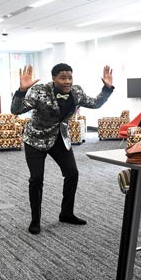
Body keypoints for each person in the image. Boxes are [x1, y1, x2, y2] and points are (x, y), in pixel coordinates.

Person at [11, 63, 114, 234]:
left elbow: (95, 103)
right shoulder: (40, 91)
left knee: (72, 173)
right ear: (54, 79)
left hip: (59, 138)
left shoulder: (76, 91)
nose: (67, 81)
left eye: (70, 77)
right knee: (36, 179)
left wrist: (107, 88)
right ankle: (35, 220)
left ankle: (66, 213)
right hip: (35, 139)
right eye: (63, 78)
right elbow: (16, 109)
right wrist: (21, 91)